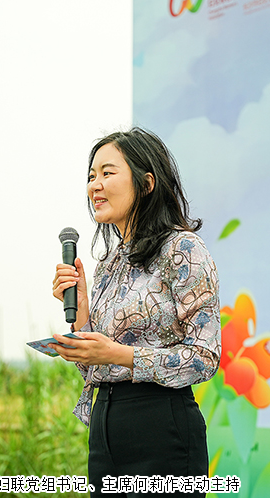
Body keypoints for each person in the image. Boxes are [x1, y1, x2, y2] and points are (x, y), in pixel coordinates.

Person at [50, 127, 221, 497]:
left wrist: (118, 354)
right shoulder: (107, 264)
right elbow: (97, 366)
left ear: (146, 183)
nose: (95, 186)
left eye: (107, 173)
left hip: (161, 429)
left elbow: (204, 358)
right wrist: (81, 316)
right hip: (107, 429)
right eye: (91, 176)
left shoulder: (183, 250)